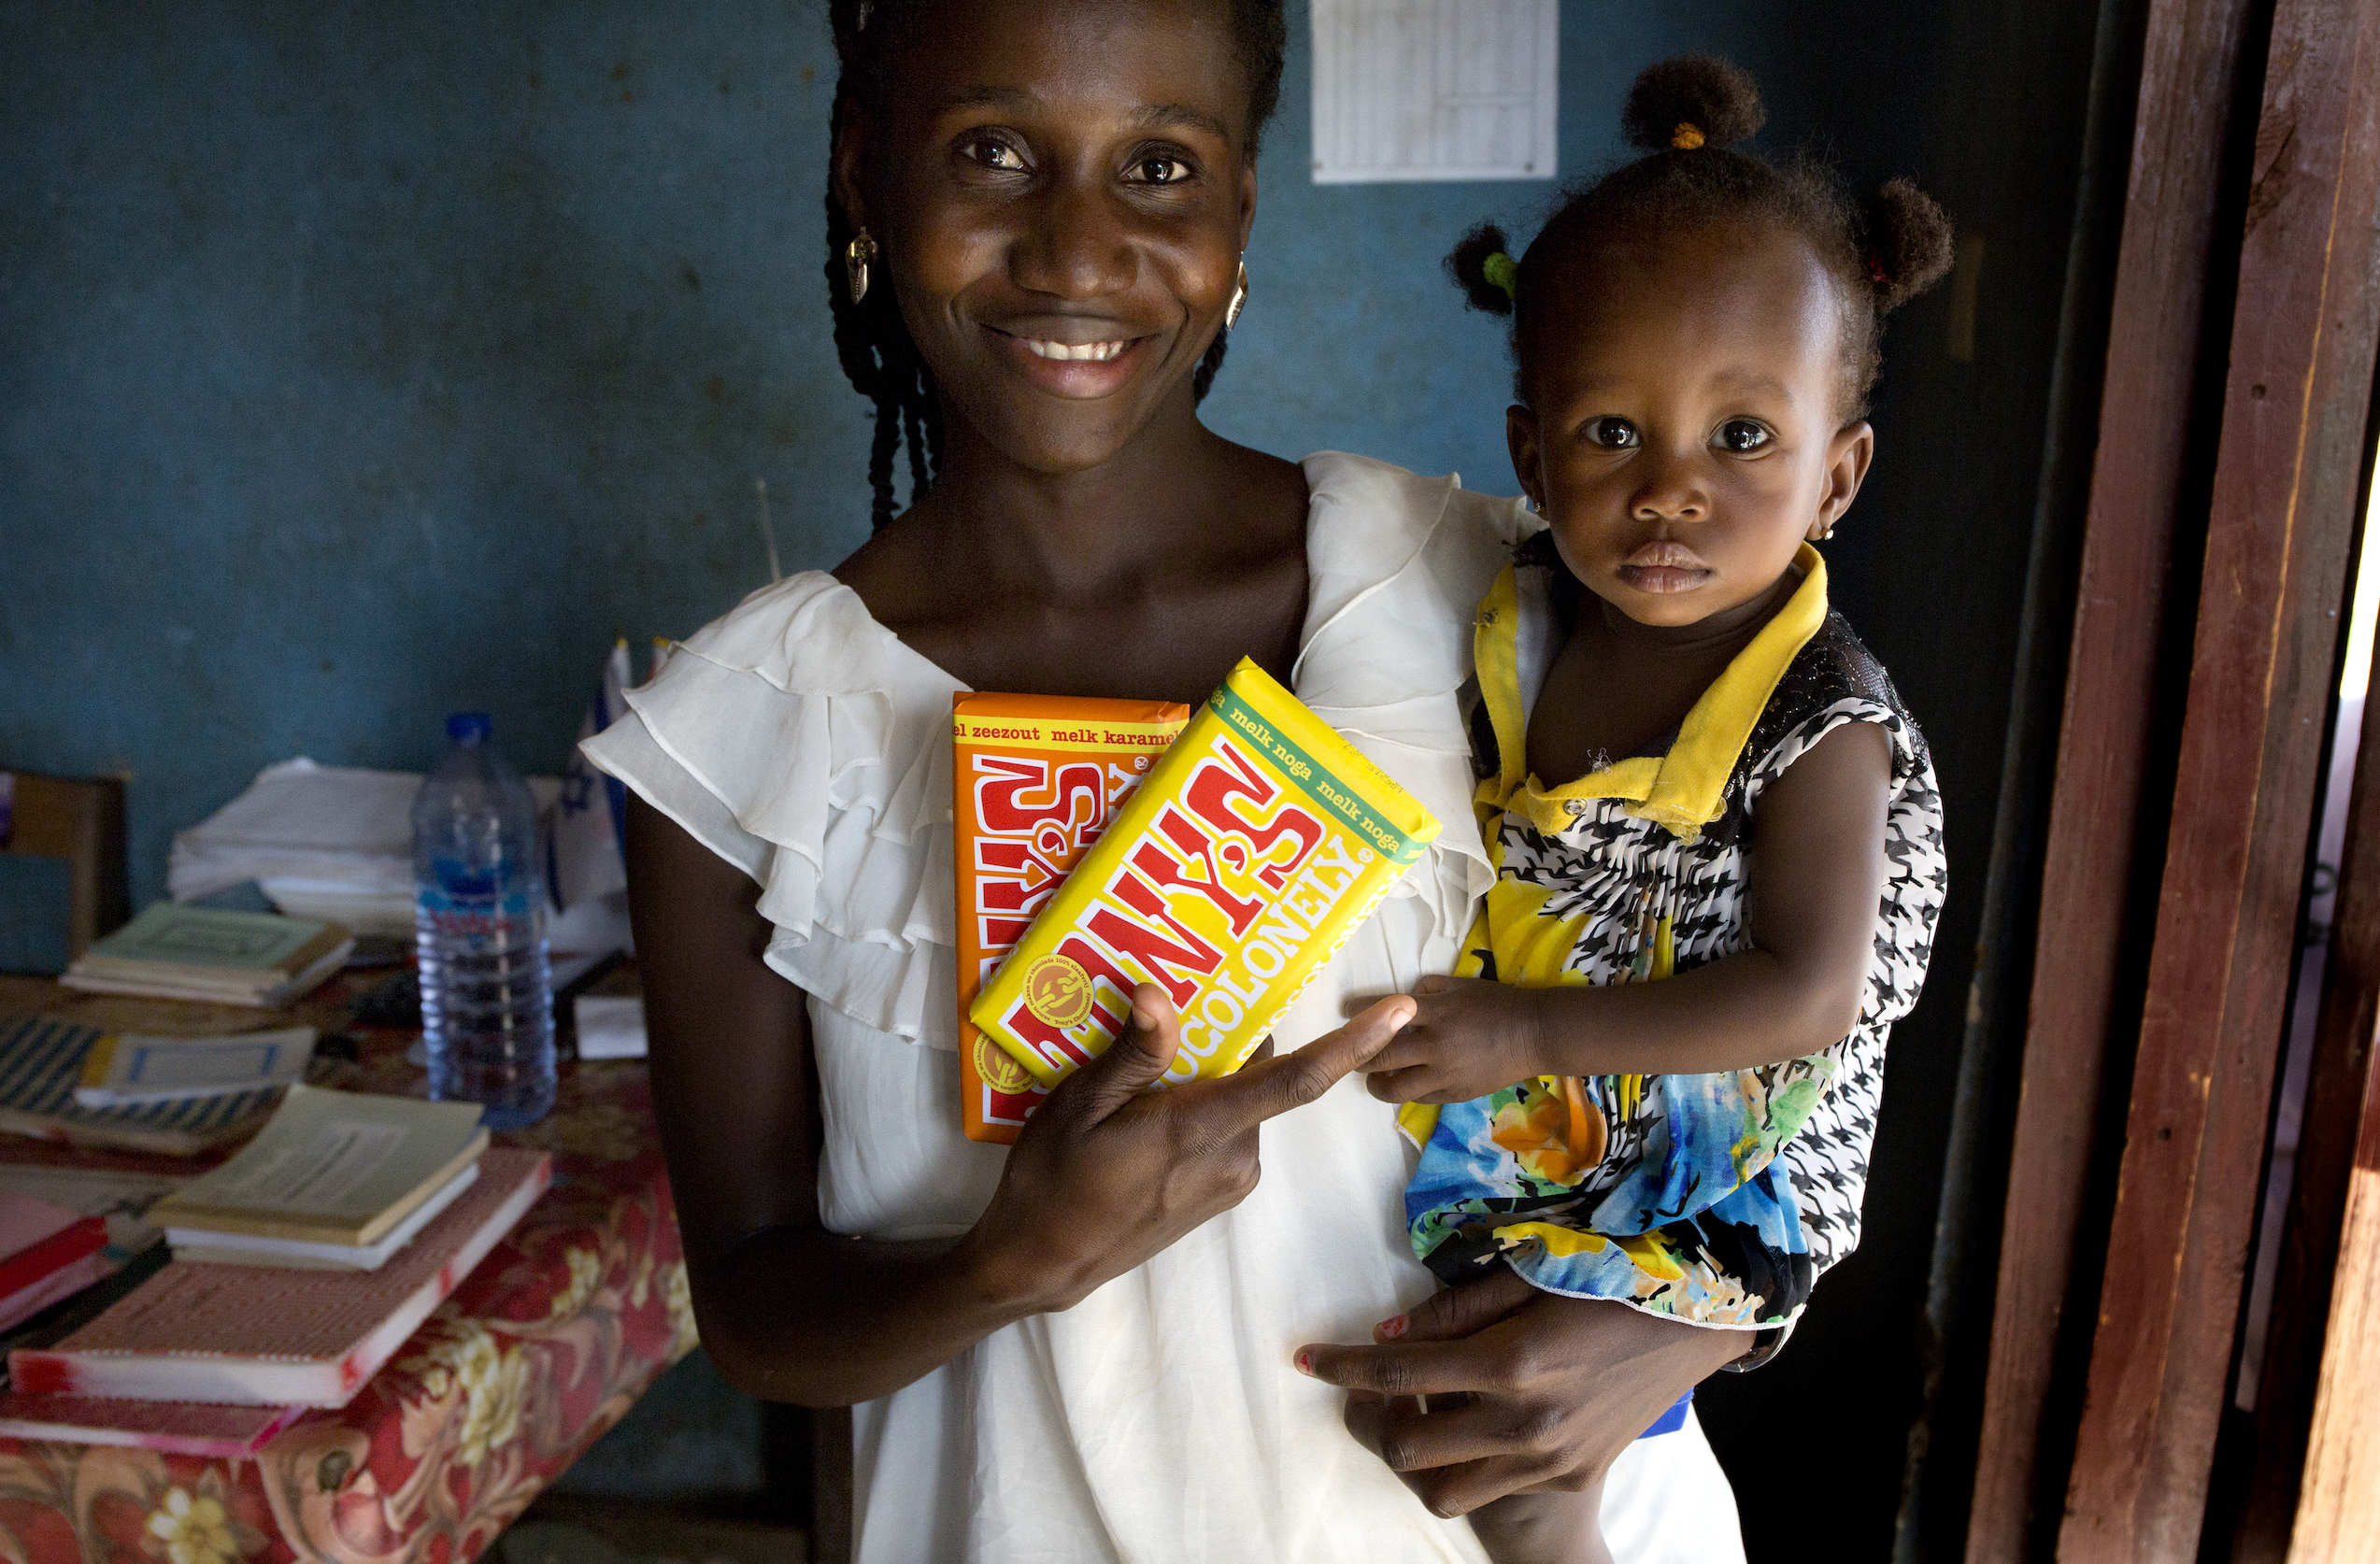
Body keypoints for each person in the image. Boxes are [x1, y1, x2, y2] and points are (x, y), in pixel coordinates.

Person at [589, 5, 1748, 1558]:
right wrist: (1008, 1260)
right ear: (866, 176)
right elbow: (752, 1303)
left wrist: (1704, 1323)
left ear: (1240, 213)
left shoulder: (1478, 592)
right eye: (993, 152)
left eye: (1158, 165)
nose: (1077, 251)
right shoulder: (739, 736)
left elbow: (1799, 1014)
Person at [1344, 58, 1954, 1563]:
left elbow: (1810, 995)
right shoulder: (1515, 625)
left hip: (1725, 1151)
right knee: (1421, 1408)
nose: (1671, 489)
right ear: (1530, 454)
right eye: (1613, 432)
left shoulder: (1819, 726)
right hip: (1561, 1118)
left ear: (1838, 474)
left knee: (1535, 1488)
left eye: (1742, 437)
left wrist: (1526, 1034)